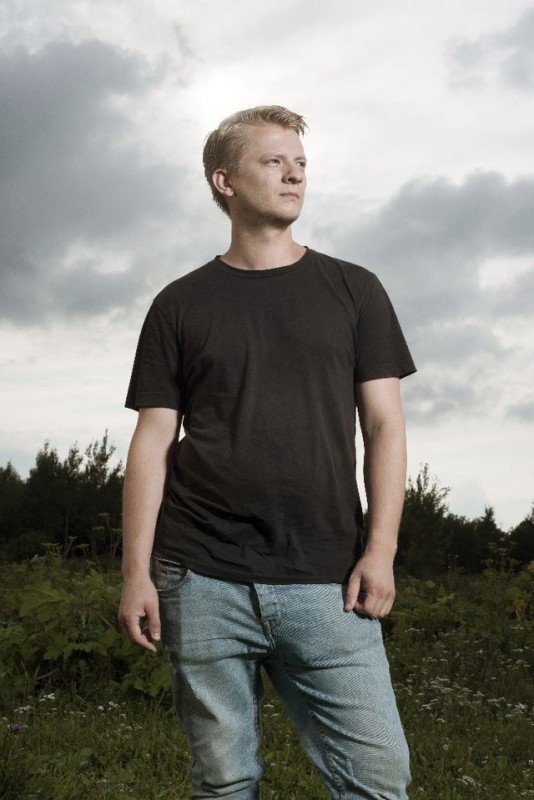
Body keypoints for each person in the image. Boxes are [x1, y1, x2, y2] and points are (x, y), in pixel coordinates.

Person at [118, 105, 416, 800]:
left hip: (327, 576)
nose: (294, 175)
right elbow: (153, 441)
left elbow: (385, 427)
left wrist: (381, 550)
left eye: (301, 163)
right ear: (224, 181)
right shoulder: (179, 304)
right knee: (224, 781)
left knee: (379, 781)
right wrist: (136, 573)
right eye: (274, 161)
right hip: (200, 575)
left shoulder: (355, 289)